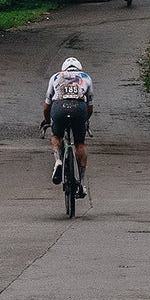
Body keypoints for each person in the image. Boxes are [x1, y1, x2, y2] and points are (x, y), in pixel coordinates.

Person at [42, 57, 94, 197]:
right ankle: (81, 183)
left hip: (59, 107)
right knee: (79, 144)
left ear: (63, 68)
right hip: (79, 108)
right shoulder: (86, 77)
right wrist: (85, 121)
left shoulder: (55, 77)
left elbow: (47, 105)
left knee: (56, 136)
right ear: (79, 68)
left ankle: (58, 160)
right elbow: (89, 107)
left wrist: (47, 121)